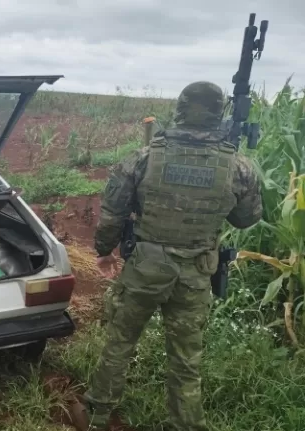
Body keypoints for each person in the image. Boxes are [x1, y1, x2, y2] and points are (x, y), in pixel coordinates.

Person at [69, 81, 263, 431]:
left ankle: (96, 414)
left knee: (120, 342)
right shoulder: (238, 166)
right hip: (196, 272)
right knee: (186, 358)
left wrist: (103, 252)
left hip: (145, 268)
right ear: (219, 115)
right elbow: (247, 218)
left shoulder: (144, 156)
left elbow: (112, 213)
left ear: (180, 109)